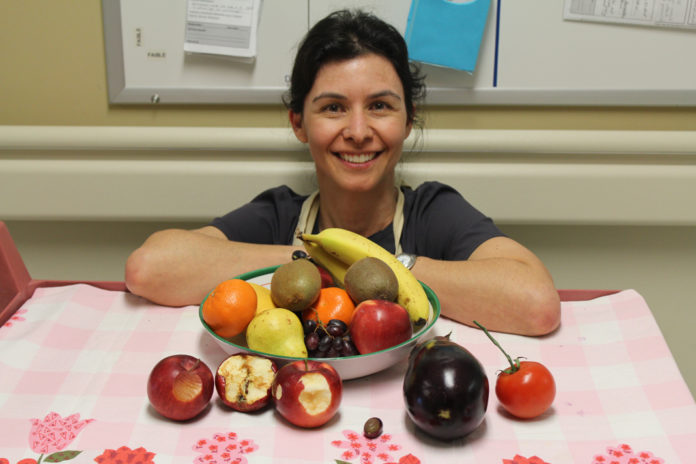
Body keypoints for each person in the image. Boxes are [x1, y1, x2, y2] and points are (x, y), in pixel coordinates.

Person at [125, 9, 560, 336]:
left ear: (408, 121)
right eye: (333, 108)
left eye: (380, 106)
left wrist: (385, 269)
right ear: (299, 123)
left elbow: (536, 303)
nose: (357, 132)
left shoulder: (433, 212)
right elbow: (150, 269)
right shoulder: (279, 216)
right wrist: (312, 264)